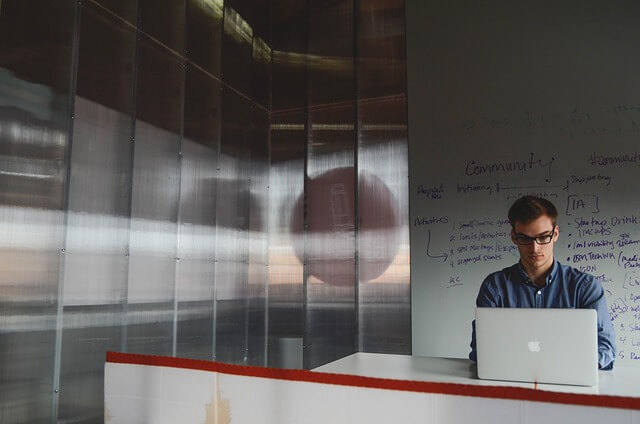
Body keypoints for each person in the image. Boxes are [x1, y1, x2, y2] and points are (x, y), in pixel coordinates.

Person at [469, 195, 616, 369]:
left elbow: (606, 348)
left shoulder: (584, 287)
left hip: (570, 380)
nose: (535, 248)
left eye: (543, 237)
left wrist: (563, 365)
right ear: (514, 238)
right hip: (511, 381)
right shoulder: (495, 287)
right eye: (525, 239)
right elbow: (481, 349)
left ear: (555, 234)